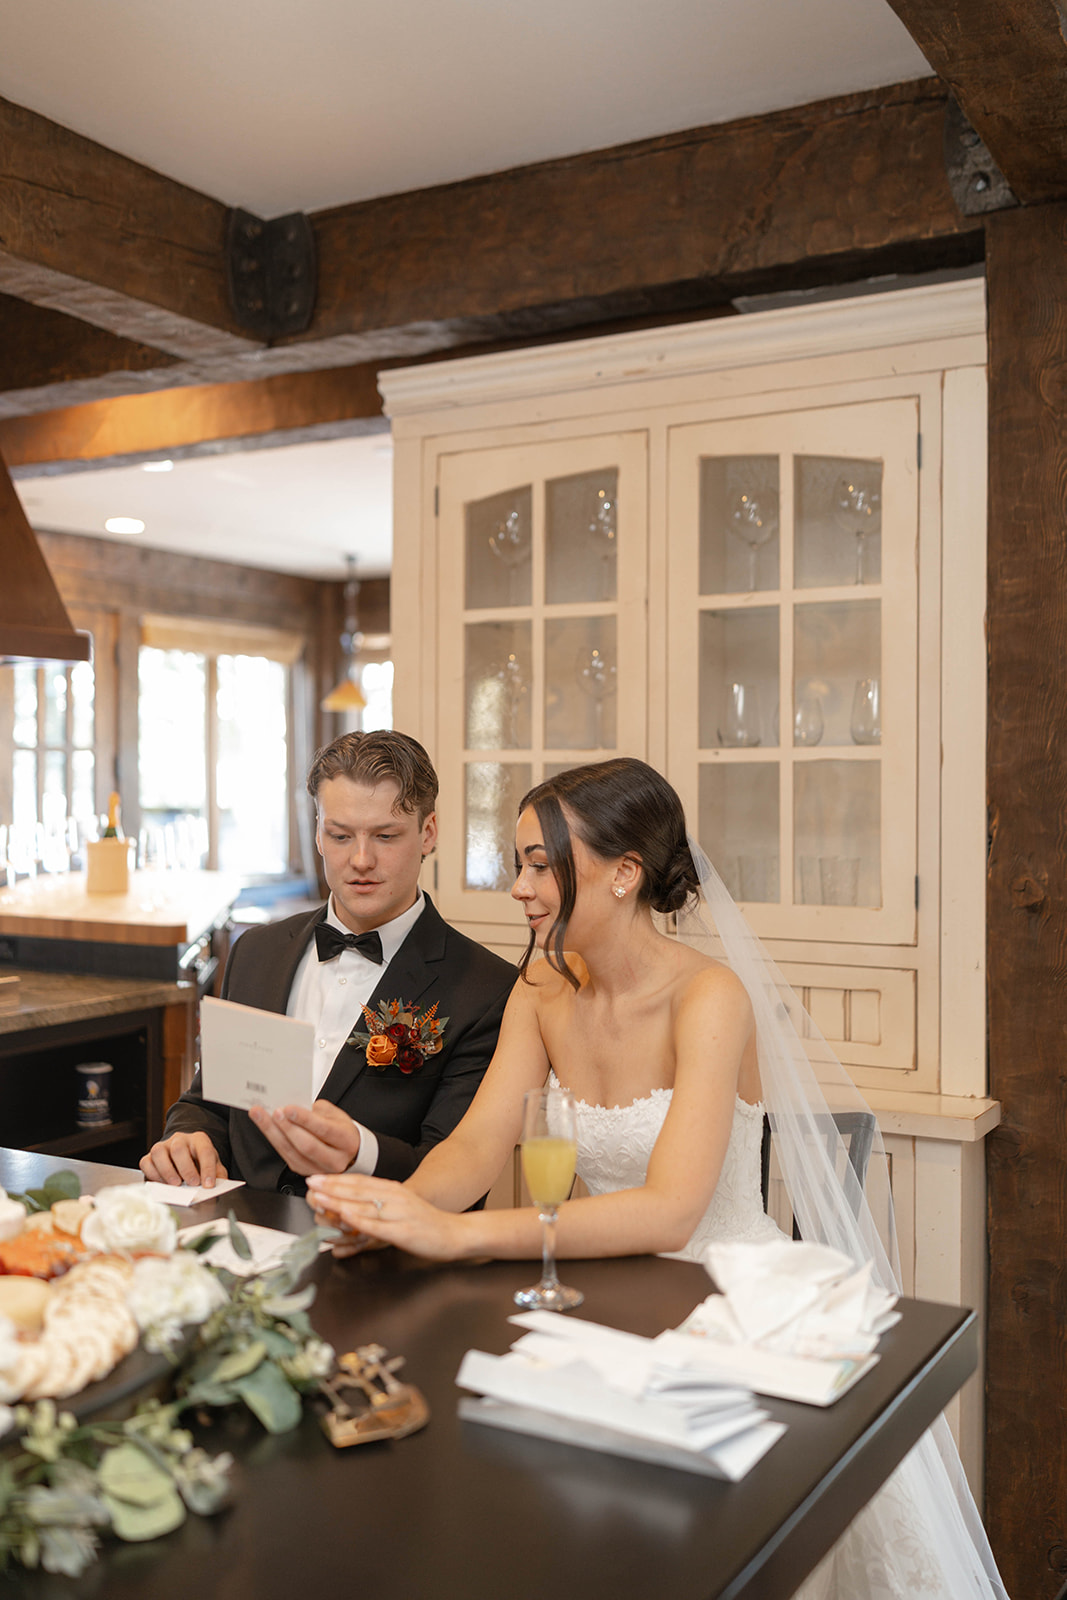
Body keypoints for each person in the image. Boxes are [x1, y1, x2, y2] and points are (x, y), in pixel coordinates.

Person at [308, 756, 1008, 1600]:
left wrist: (456, 1236)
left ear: (622, 875)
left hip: (720, 1295)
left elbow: (674, 1213)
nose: (519, 888)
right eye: (518, 862)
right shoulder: (537, 987)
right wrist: (389, 1207)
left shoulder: (709, 997)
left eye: (540, 863)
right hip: (598, 1291)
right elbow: (473, 1149)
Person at [141, 730, 517, 1194]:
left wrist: (360, 1154)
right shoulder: (256, 951)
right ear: (318, 834)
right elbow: (211, 1100)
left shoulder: (486, 989)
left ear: (428, 833)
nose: (361, 859)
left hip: (380, 1249)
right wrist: (186, 1136)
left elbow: (456, 1168)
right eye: (340, 835)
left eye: (385, 835)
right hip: (239, 1233)